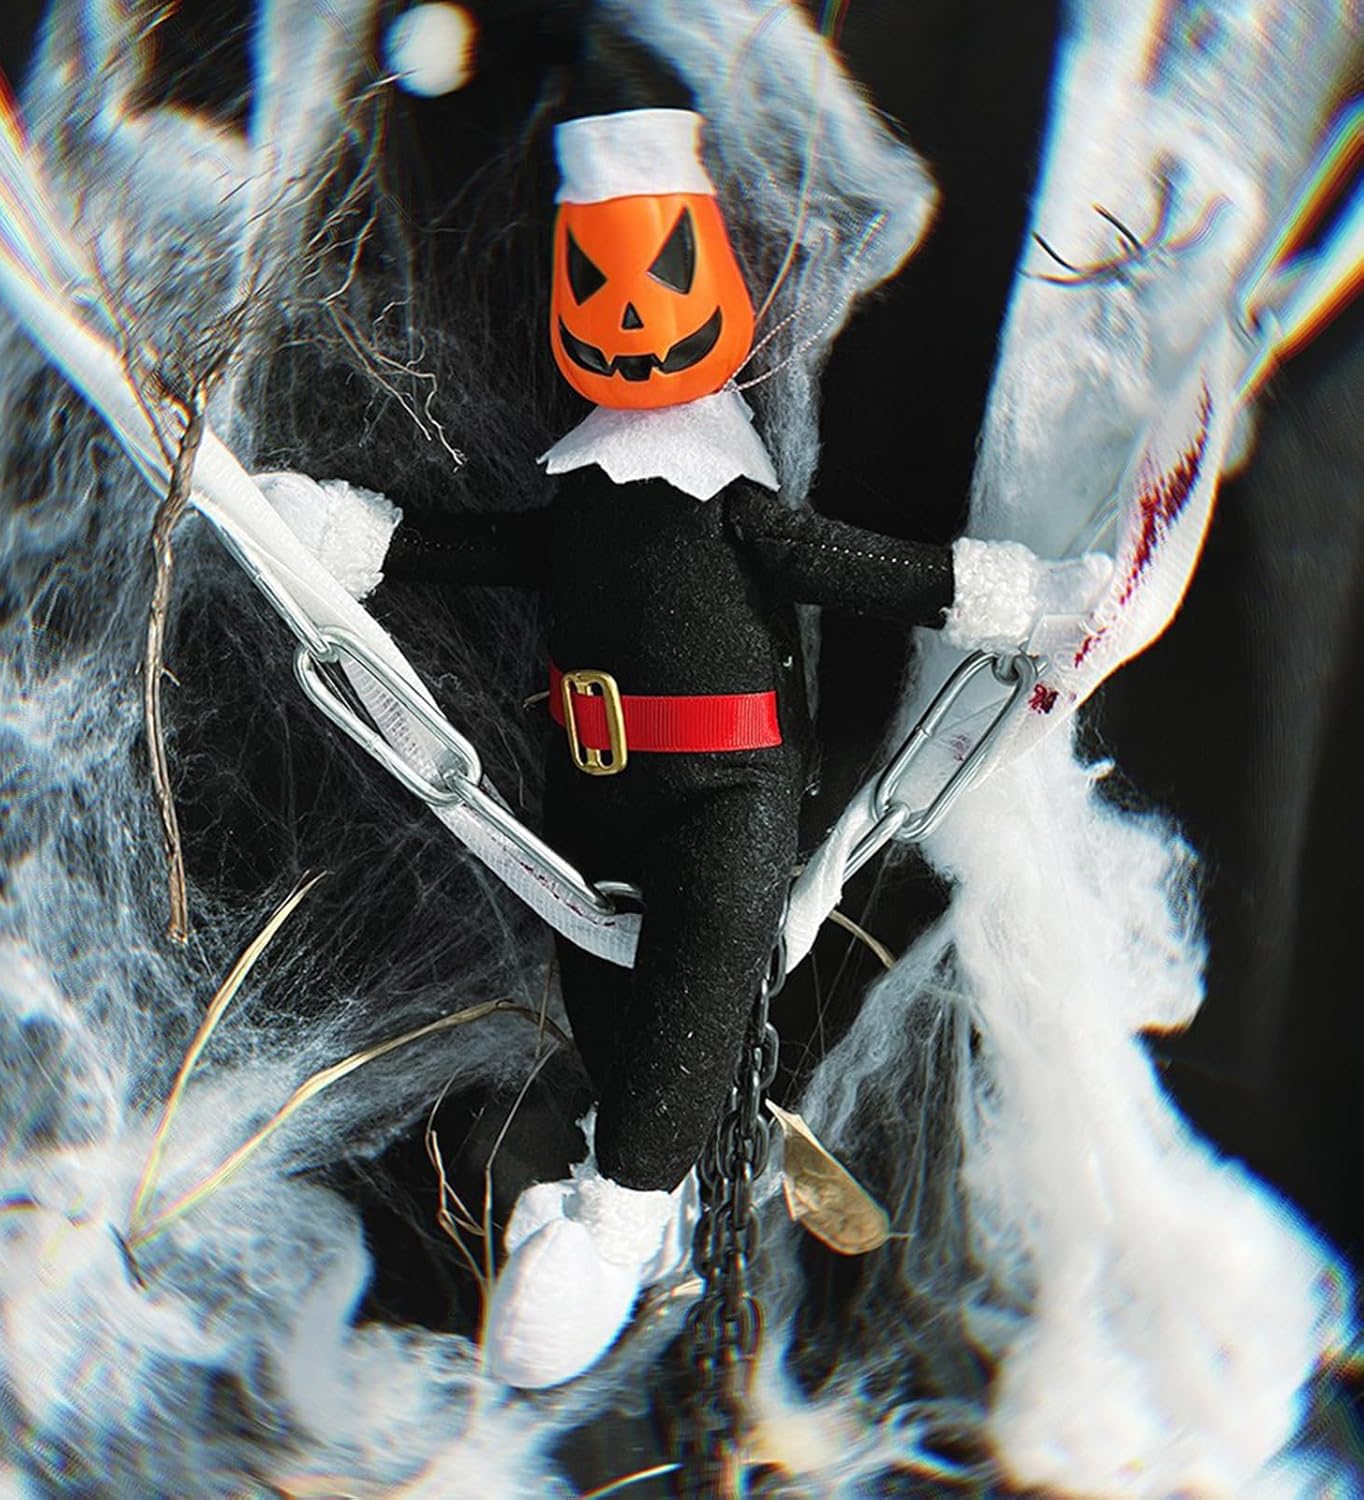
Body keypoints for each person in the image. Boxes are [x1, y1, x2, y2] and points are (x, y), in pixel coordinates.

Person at [260, 98, 1108, 1389]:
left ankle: (622, 1213)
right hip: (587, 801)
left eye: (661, 274)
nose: (631, 312)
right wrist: (364, 538)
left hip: (729, 799)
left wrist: (1021, 602)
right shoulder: (584, 494)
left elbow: (851, 567)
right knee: (607, 998)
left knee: (708, 956)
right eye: (598, 283)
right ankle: (634, 1171)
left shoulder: (732, 499)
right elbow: (502, 551)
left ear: (712, 283)